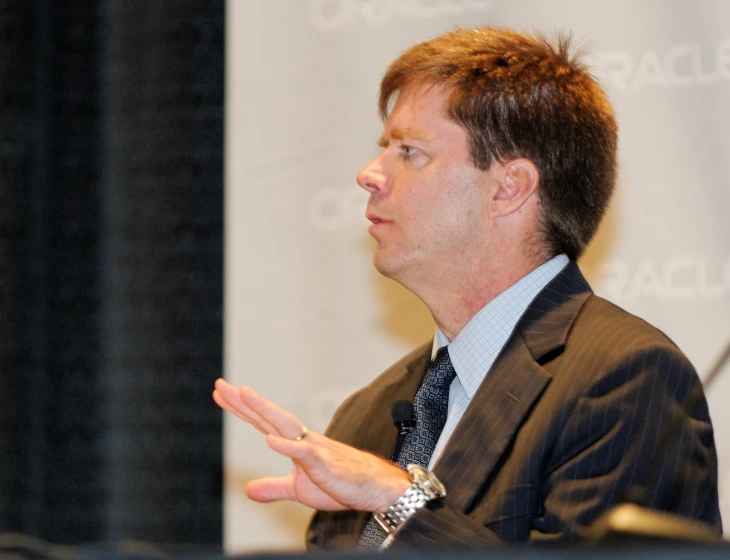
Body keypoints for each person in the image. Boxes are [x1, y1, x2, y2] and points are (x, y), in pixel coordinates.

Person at [214, 27, 722, 551]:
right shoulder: (365, 414)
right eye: (384, 148)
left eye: (410, 151)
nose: (370, 175)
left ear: (510, 187)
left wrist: (399, 500)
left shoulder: (623, 379)